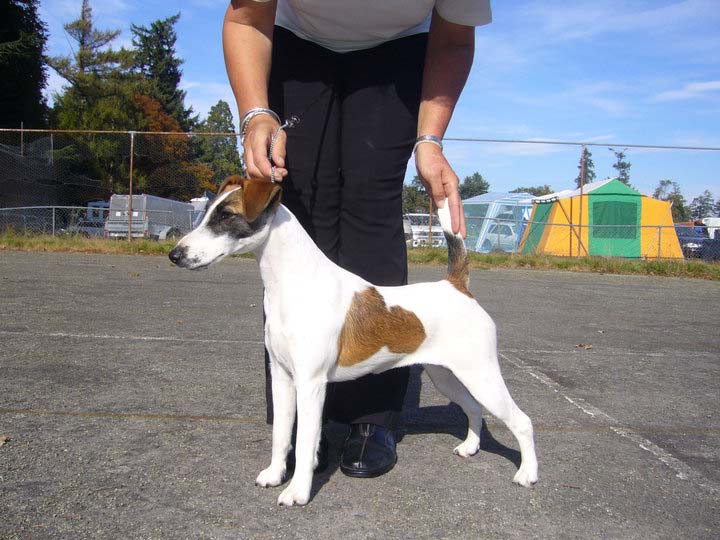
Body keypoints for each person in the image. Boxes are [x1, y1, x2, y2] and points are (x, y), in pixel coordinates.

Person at [223, 0, 491, 478]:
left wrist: (429, 141)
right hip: (296, 44)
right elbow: (246, 16)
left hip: (398, 51)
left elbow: (452, 38)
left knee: (371, 206)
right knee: (303, 206)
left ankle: (372, 416)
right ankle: (310, 420)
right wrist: (256, 113)